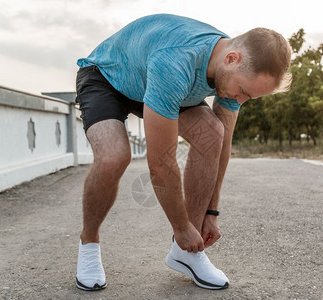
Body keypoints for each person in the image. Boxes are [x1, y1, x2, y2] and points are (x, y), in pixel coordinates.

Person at [74, 13, 292, 291]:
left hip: (155, 82)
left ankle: (185, 254)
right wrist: (181, 227)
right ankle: (89, 242)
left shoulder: (235, 69)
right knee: (114, 156)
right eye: (242, 91)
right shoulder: (176, 62)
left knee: (213, 135)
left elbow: (222, 146)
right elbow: (161, 162)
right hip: (106, 77)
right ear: (231, 58)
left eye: (250, 97)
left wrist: (210, 212)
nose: (241, 100)